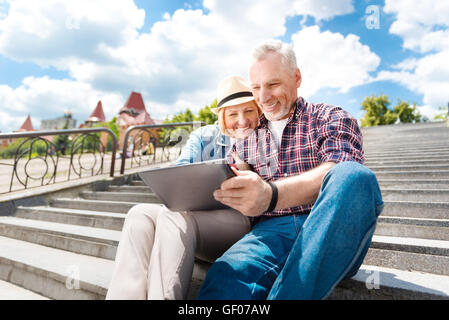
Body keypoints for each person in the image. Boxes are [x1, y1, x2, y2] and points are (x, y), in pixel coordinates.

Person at [196, 40, 384, 300]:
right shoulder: (248, 136)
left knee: (354, 176)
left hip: (329, 225)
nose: (263, 97)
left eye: (273, 84)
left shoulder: (331, 117)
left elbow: (339, 169)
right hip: (271, 232)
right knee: (226, 275)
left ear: (297, 78)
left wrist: (270, 195)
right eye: (256, 87)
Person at [106, 75, 262, 300]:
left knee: (175, 217)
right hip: (193, 217)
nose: (242, 121)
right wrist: (176, 176)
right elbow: (181, 168)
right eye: (232, 114)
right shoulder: (205, 136)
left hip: (238, 221)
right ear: (221, 116)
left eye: (248, 111)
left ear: (258, 110)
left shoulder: (267, 137)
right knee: (138, 214)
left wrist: (247, 173)